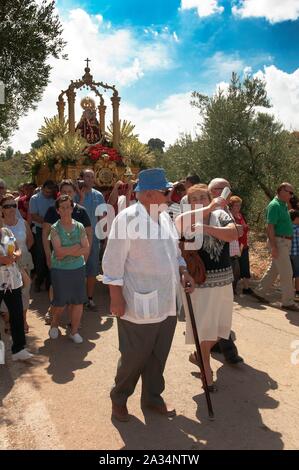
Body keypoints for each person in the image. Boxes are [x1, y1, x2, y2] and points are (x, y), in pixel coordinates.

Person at [102, 168, 195, 422]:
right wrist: (115, 297)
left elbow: (174, 252)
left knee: (158, 355)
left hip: (166, 301)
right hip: (137, 301)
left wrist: (184, 270)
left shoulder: (164, 216)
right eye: (166, 192)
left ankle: (152, 398)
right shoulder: (127, 219)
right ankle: (119, 398)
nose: (170, 196)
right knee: (134, 356)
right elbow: (112, 263)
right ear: (150, 194)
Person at [176, 184, 238, 390]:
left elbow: (232, 235)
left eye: (204, 197)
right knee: (205, 330)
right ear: (189, 203)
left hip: (224, 280)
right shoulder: (185, 218)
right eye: (195, 199)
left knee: (222, 330)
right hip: (199, 284)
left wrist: (206, 227)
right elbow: (179, 231)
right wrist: (206, 211)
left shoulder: (221, 214)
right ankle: (207, 370)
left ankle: (198, 356)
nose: (200, 201)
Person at [207, 178, 244, 364]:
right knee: (220, 310)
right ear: (214, 190)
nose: (228, 192)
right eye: (224, 189)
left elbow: (236, 233)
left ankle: (215, 347)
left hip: (227, 261)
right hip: (213, 267)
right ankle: (228, 351)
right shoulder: (209, 209)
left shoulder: (225, 209)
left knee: (222, 309)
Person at [251, 183, 299, 311]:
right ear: (282, 190)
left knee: (275, 269)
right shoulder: (274, 205)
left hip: (284, 242)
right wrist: (273, 246)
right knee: (287, 272)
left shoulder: (283, 204)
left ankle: (259, 292)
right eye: (290, 192)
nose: (292, 195)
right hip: (279, 242)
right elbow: (270, 227)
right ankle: (288, 302)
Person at [48, 195, 90, 343]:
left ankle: (73, 331)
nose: (66, 210)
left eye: (68, 207)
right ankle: (54, 323)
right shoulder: (54, 228)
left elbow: (86, 248)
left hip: (78, 269)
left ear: (72, 208)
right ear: (58, 211)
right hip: (60, 270)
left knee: (78, 302)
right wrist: (76, 247)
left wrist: (67, 251)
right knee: (60, 303)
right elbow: (57, 253)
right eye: (62, 207)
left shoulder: (79, 226)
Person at [0, 194, 34, 333]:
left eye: (13, 205)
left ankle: (23, 321)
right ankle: (9, 321)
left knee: (24, 293)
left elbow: (30, 241)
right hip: (5, 266)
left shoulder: (23, 222)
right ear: (1, 209)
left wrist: (20, 254)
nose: (11, 208)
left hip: (23, 261)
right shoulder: (1, 225)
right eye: (7, 206)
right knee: (6, 294)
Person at [0, 225, 34, 360]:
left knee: (17, 314)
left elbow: (17, 248)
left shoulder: (6, 231)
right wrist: (6, 259)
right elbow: (4, 259)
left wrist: (16, 254)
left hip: (12, 281)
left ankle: (19, 349)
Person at [75, 169, 106, 310]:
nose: (90, 179)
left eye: (92, 177)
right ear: (81, 178)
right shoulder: (74, 194)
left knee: (92, 269)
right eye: (87, 176)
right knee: (77, 268)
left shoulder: (98, 195)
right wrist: (80, 197)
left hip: (93, 238)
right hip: (75, 238)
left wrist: (103, 235)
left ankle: (89, 298)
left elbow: (102, 217)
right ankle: (77, 298)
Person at [29, 180, 56, 292]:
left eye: (50, 192)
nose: (47, 194)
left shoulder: (54, 199)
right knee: (41, 256)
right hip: (40, 230)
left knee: (52, 255)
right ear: (42, 188)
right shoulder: (34, 198)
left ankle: (49, 283)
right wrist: (47, 222)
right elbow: (34, 216)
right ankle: (39, 280)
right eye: (46, 191)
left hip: (53, 230)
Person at [229, 196, 252, 295]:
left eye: (239, 205)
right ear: (231, 206)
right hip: (235, 245)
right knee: (235, 268)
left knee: (244, 266)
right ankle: (232, 289)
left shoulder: (240, 215)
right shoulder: (229, 217)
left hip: (243, 244)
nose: (238, 207)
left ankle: (246, 287)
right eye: (236, 205)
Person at [289, 209, 299, 302]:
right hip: (297, 254)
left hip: (288, 254)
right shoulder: (297, 228)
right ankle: (297, 293)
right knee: (297, 274)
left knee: (290, 274)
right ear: (296, 218)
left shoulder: (288, 227)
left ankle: (289, 292)